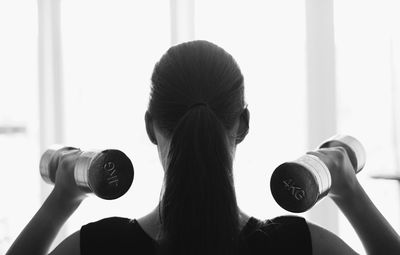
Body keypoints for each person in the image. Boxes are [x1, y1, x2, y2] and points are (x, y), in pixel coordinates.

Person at [6, 40, 400, 255]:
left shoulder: (96, 249)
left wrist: (62, 199)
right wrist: (348, 190)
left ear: (150, 126)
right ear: (242, 125)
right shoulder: (304, 246)